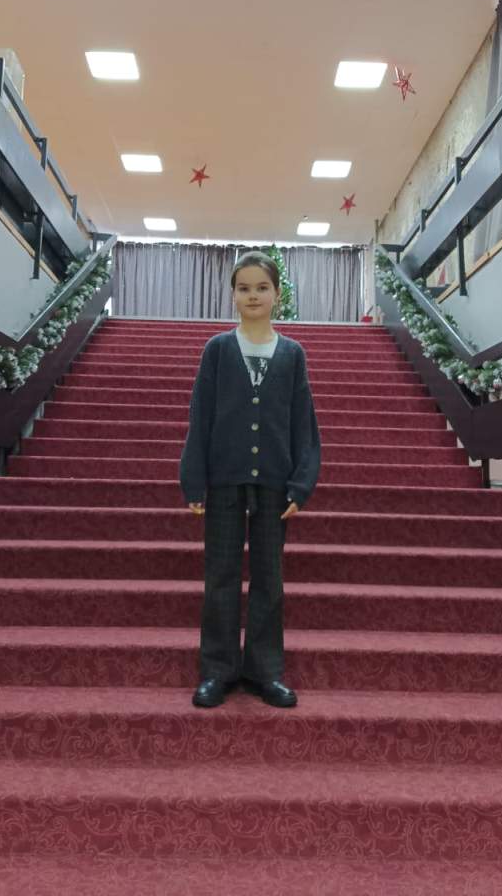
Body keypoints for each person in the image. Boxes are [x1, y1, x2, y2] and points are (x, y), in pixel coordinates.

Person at [179, 250, 321, 709]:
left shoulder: (292, 354)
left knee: (269, 579)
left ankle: (264, 671)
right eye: (244, 288)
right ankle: (217, 670)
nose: (253, 295)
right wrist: (194, 479)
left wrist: (301, 483)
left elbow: (303, 424)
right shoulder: (218, 350)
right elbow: (201, 416)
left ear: (277, 294)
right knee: (220, 577)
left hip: (275, 483)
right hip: (224, 479)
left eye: (262, 287)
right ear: (233, 295)